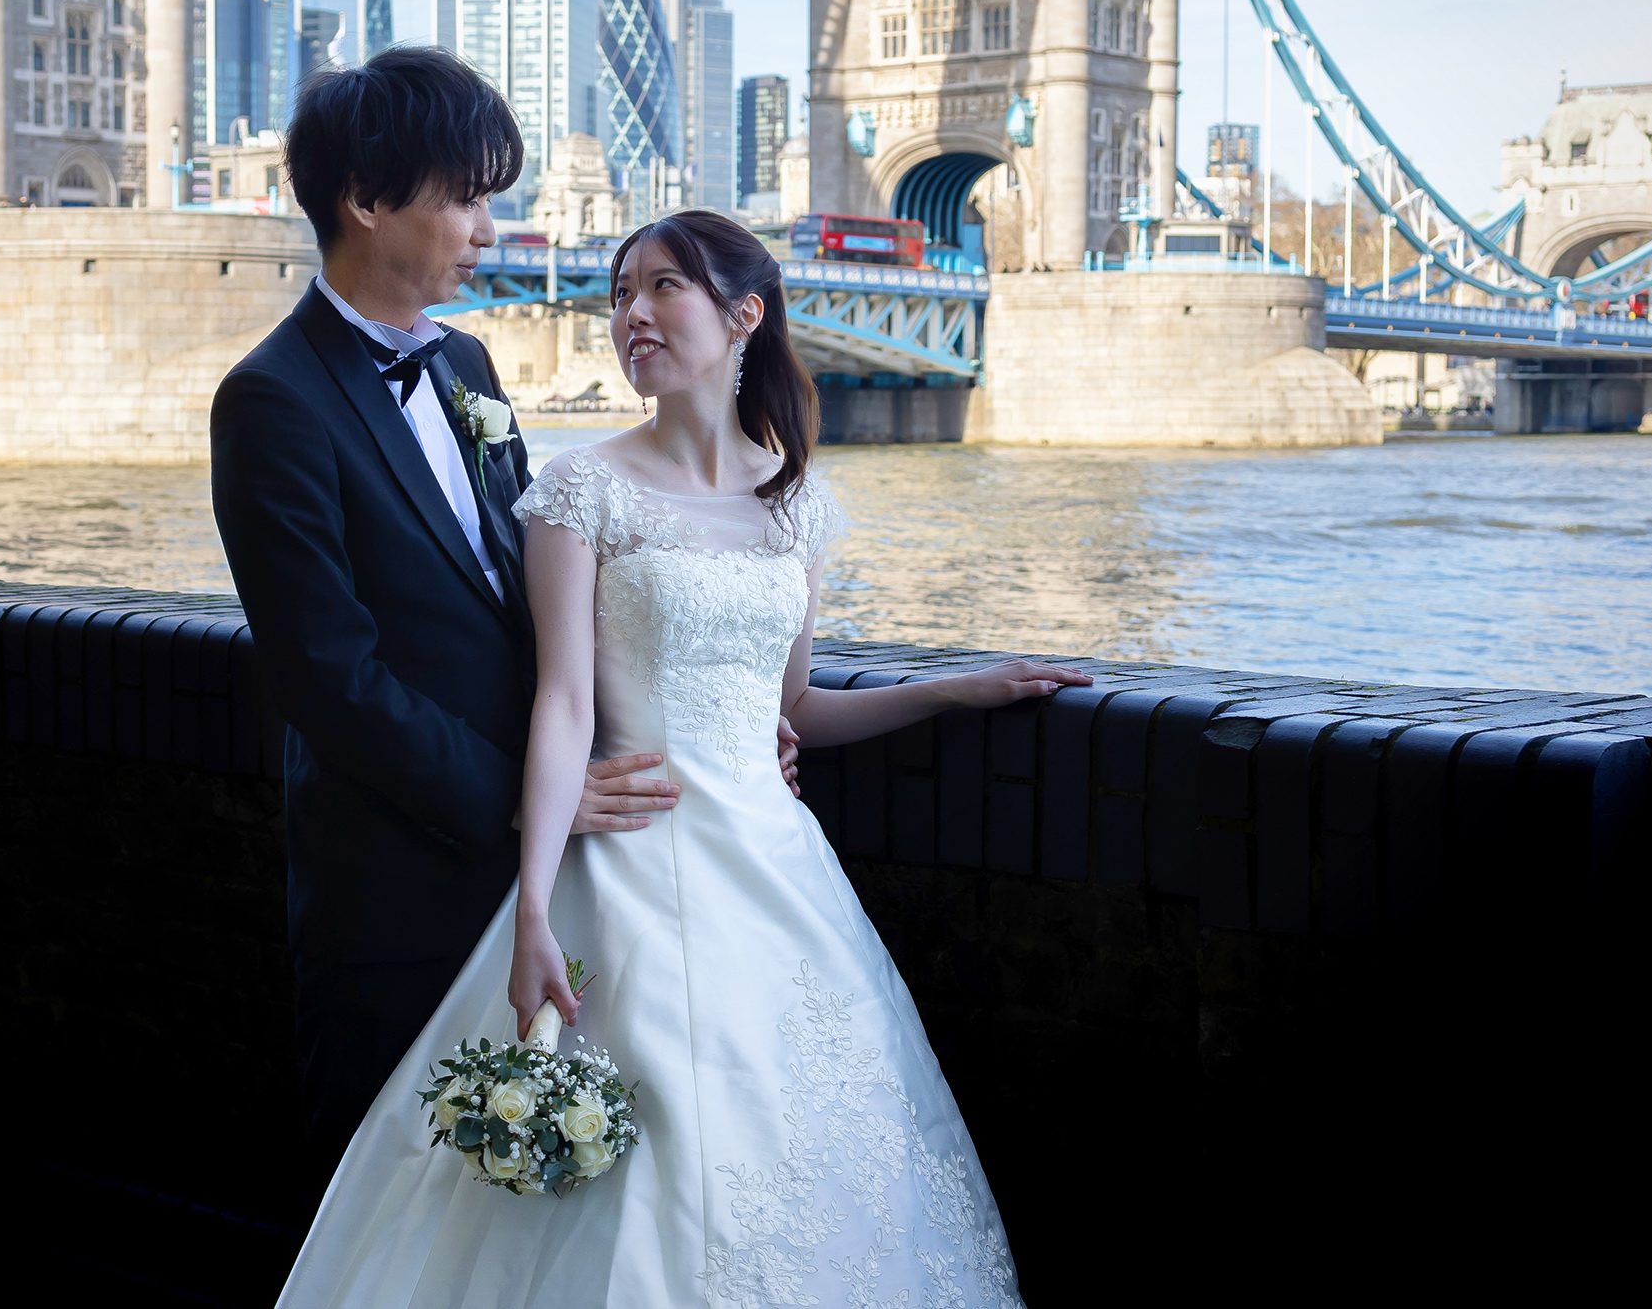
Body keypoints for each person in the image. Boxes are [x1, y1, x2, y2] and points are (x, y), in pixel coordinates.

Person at [275, 209, 1090, 1306]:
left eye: (663, 288)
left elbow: (789, 706)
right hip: (628, 870)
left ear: (744, 314)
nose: (632, 316)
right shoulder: (577, 493)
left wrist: (951, 690)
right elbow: (562, 705)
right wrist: (530, 915)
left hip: (776, 870)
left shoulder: (792, 500)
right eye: (619, 295)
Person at [210, 49, 796, 1168]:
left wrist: (680, 724)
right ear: (368, 201)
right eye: (468, 198)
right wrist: (537, 801)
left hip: (558, 883)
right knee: (389, 1207)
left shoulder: (469, 366)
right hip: (397, 897)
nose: (488, 230)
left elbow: (532, 601)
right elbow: (328, 681)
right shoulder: (271, 401)